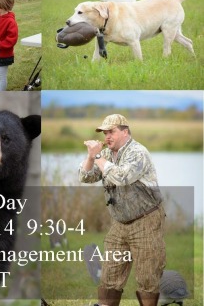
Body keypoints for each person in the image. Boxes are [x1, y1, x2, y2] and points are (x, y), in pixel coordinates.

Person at [79, 114, 165, 306]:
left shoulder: (138, 152)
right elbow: (85, 177)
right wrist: (91, 157)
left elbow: (122, 177)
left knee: (147, 276)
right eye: (104, 133)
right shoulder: (108, 154)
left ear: (125, 132)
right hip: (119, 223)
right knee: (110, 274)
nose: (107, 136)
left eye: (111, 132)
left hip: (146, 220)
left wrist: (99, 156)